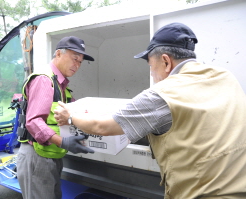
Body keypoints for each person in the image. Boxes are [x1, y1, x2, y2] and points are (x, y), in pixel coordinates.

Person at [54, 23, 246, 198]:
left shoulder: (163, 94)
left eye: (151, 67)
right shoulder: (226, 77)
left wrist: (70, 117)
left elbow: (102, 127)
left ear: (165, 61)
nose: (152, 75)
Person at [17, 36, 95, 199]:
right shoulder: (44, 80)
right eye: (74, 59)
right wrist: (64, 142)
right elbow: (33, 121)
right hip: (36, 157)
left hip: (51, 155)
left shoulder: (62, 86)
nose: (77, 65)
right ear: (58, 54)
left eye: (80, 62)